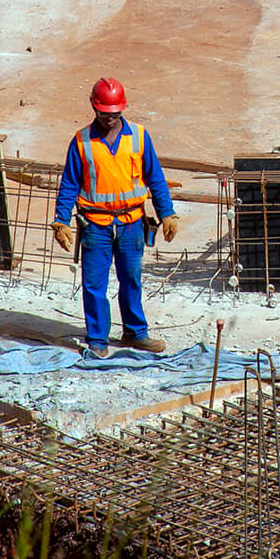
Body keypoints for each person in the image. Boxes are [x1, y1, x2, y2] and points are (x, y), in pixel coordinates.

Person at [51, 78, 180, 358]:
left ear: (123, 108)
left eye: (115, 113)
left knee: (131, 278)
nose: (110, 118)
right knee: (94, 284)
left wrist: (167, 213)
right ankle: (98, 339)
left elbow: (155, 178)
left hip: (131, 223)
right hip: (95, 225)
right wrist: (61, 220)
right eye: (104, 112)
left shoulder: (139, 136)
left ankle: (135, 333)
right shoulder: (82, 141)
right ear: (94, 107)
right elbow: (69, 183)